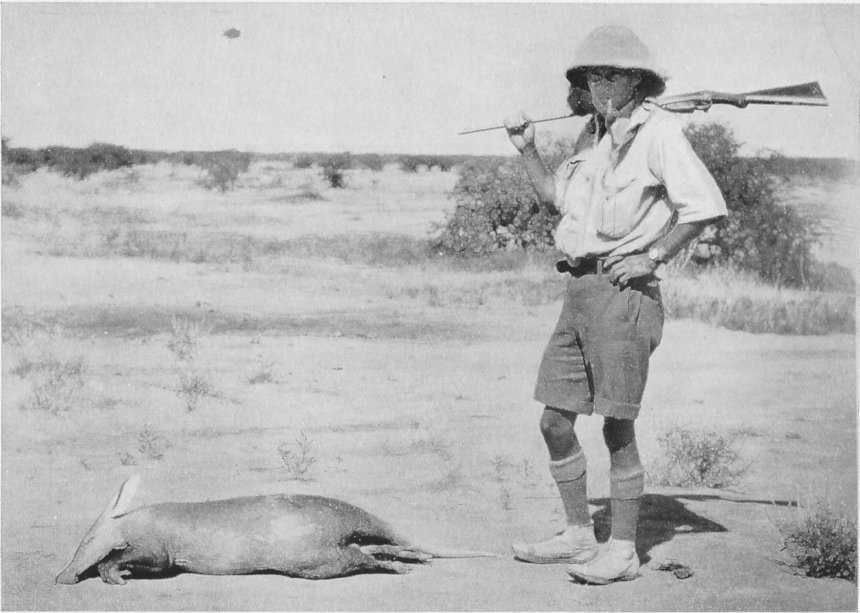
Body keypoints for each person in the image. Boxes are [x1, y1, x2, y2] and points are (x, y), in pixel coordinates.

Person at [505, 25, 727, 584]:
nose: (600, 86)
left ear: (637, 81)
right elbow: (555, 201)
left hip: (624, 295)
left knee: (617, 426)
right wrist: (527, 149)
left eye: (611, 76)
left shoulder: (660, 134)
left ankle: (623, 550)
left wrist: (653, 257)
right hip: (578, 292)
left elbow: (704, 206)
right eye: (592, 77)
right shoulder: (591, 139)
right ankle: (579, 534)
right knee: (555, 421)